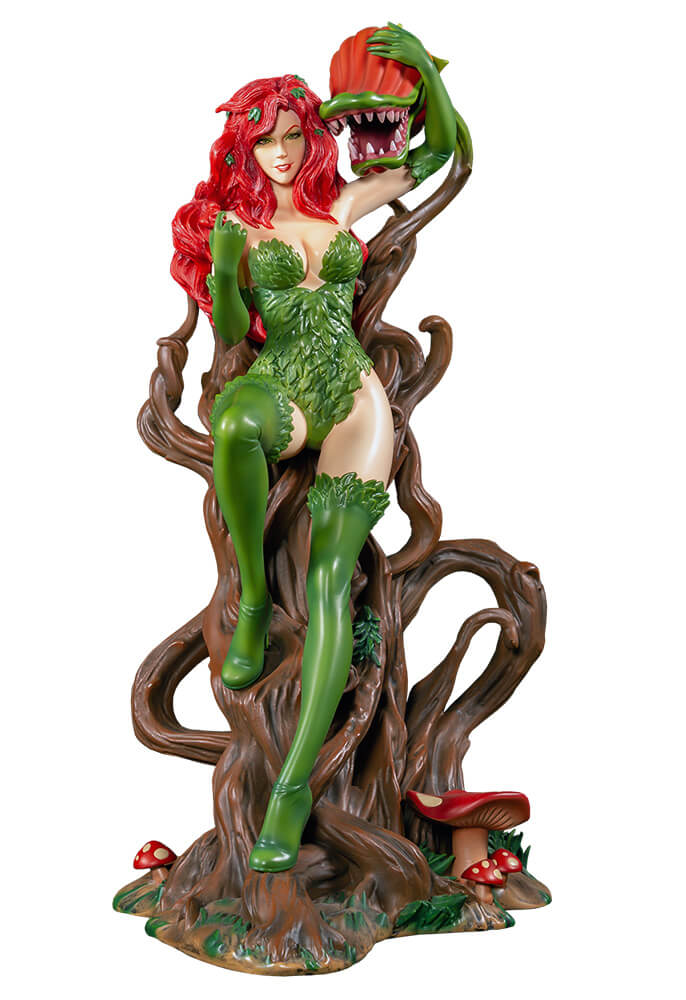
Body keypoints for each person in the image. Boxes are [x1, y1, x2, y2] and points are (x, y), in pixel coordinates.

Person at [169, 25, 457, 872]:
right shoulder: (235, 223)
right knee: (234, 425)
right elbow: (232, 332)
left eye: (295, 135)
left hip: (354, 401)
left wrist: (425, 73)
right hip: (287, 385)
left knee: (333, 584)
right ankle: (256, 597)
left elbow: (442, 152)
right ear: (245, 148)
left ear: (313, 136)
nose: (284, 153)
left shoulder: (341, 206)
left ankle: (294, 790)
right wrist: (227, 270)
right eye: (267, 140)